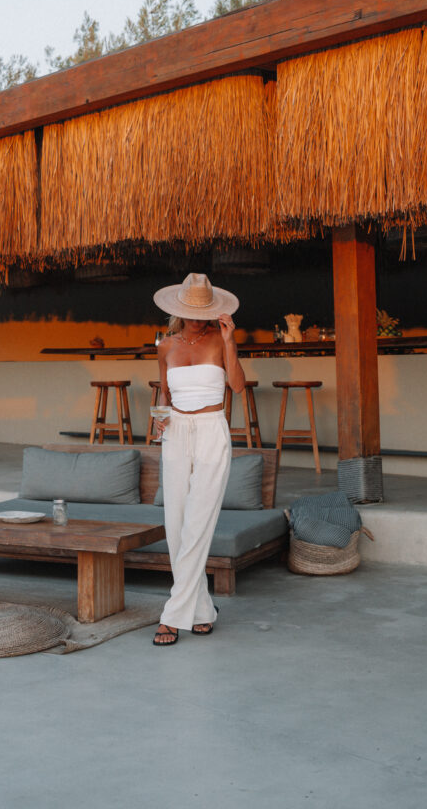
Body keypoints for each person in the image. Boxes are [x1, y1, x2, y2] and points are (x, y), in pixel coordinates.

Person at [151, 272, 245, 646]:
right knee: (175, 525)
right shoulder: (165, 346)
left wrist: (230, 340)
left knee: (198, 523)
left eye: (202, 311)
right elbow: (164, 394)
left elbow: (237, 385)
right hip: (175, 433)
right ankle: (202, 609)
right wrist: (158, 422)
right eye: (189, 311)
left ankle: (172, 616)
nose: (196, 318)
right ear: (178, 309)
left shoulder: (220, 341)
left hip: (210, 429)